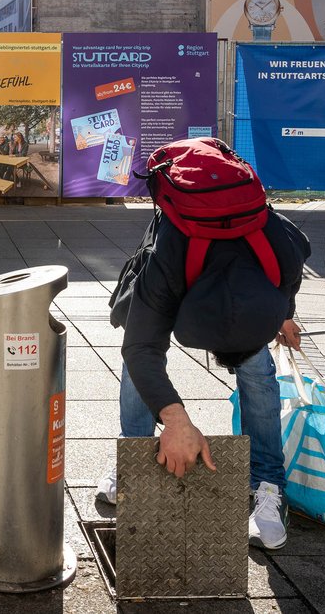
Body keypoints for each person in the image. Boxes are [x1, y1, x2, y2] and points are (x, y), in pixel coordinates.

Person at [96, 198, 311, 551]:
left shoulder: (280, 249)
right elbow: (141, 349)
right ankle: (130, 457)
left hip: (245, 267)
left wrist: (282, 316)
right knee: (140, 352)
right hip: (182, 252)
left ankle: (268, 483)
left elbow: (288, 281)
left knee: (257, 368)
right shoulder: (165, 261)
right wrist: (177, 421)